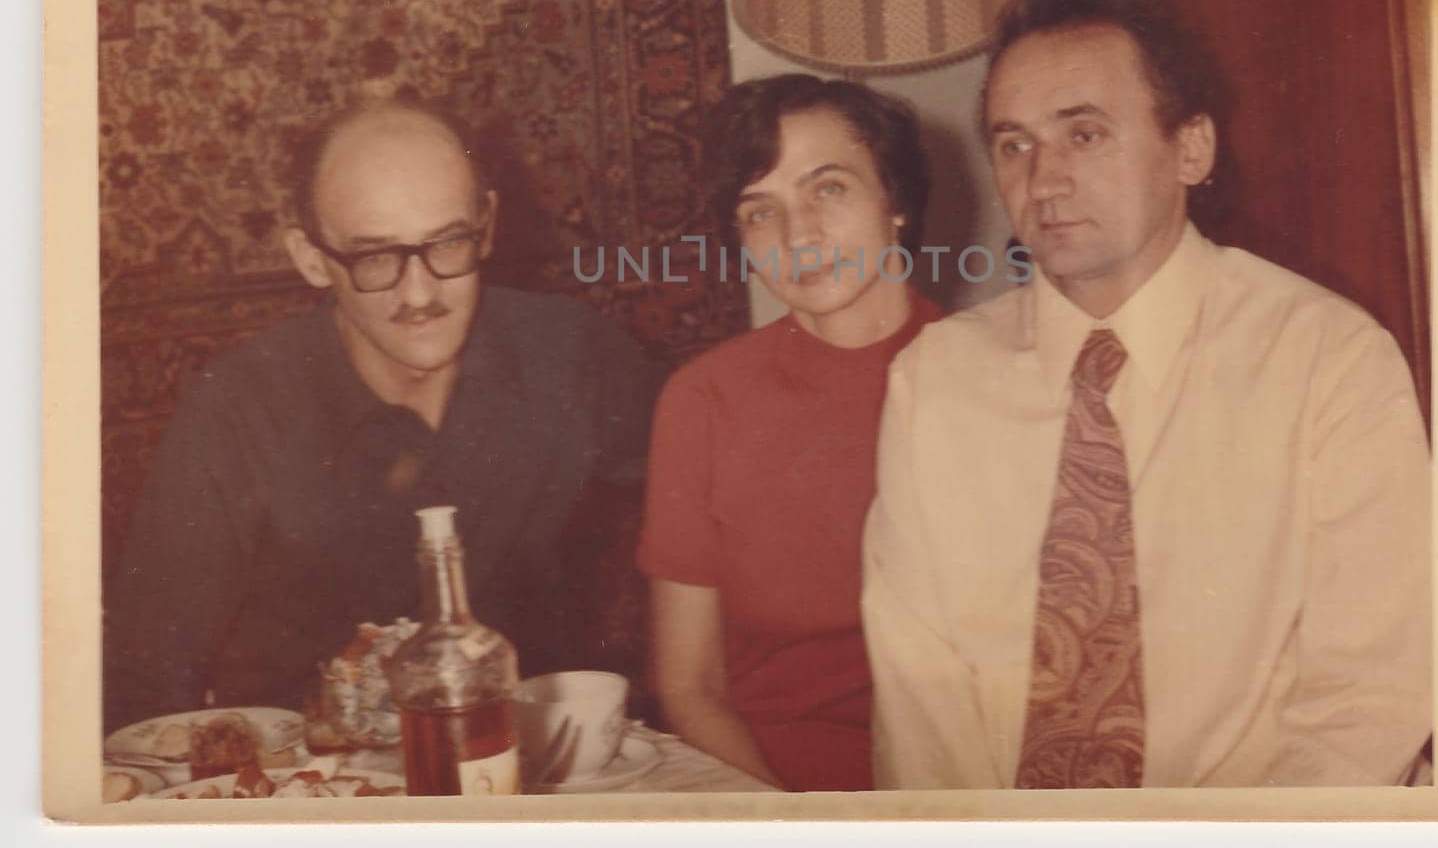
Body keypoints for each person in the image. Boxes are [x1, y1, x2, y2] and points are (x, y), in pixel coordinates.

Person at [862, 0, 1431, 789]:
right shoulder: (935, 381)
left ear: (1192, 148)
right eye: (1014, 143)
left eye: (1084, 134)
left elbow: (1369, 696)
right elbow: (921, 715)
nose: (1043, 179)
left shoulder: (1327, 359)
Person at [103, 97, 665, 733]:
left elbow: (719, 498)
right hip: (313, 784)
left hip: (521, 768)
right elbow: (143, 673)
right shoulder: (237, 410)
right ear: (312, 259)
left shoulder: (576, 357)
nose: (420, 294)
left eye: (449, 243)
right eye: (375, 258)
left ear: (488, 226)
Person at [636, 75, 941, 791]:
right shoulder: (704, 400)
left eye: (827, 188)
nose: (798, 235)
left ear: (894, 199)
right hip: (764, 787)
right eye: (759, 211)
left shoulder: (992, 375)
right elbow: (690, 685)